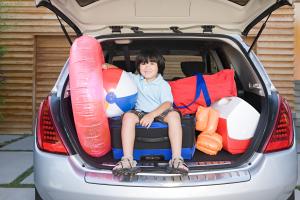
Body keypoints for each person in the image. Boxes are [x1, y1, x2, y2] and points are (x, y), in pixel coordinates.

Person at [102, 49, 188, 176]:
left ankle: (176, 159)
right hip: (140, 111)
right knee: (128, 117)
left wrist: (151, 115)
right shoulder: (135, 79)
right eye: (143, 63)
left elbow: (167, 103)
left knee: (174, 115)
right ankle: (127, 160)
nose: (147, 67)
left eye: (152, 64)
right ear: (138, 67)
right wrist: (107, 66)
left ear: (159, 67)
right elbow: (120, 74)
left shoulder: (163, 84)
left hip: (159, 111)